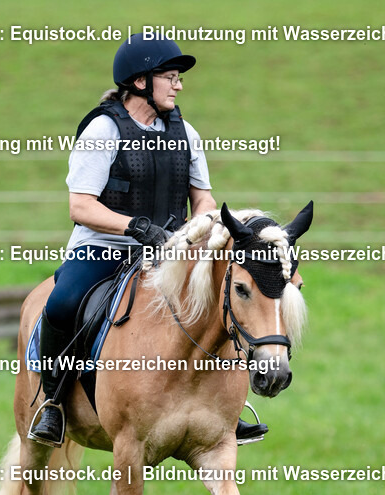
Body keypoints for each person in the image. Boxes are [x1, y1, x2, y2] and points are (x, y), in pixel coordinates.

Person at [28, 34, 267, 446]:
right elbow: (80, 206)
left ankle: (225, 407)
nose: (179, 86)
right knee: (63, 302)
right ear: (140, 82)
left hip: (170, 251)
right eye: (170, 77)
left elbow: (203, 197)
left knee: (218, 301)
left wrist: (198, 229)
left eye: (178, 78)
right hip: (103, 248)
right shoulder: (103, 130)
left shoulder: (185, 132)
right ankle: (53, 401)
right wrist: (136, 227)